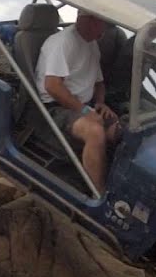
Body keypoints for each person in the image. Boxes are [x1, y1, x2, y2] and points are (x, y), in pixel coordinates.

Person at [36, 10, 121, 193]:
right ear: (88, 20)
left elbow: (99, 82)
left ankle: (115, 182)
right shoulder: (63, 42)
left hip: (84, 105)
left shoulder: (91, 44)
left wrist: (100, 103)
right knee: (95, 132)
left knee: (120, 131)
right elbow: (52, 86)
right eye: (101, 22)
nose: (104, 28)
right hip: (56, 107)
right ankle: (97, 194)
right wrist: (84, 111)